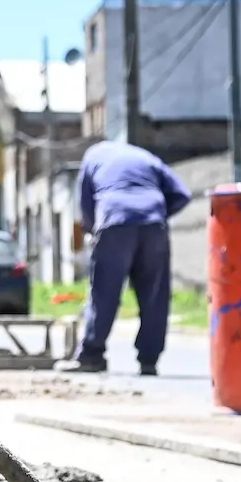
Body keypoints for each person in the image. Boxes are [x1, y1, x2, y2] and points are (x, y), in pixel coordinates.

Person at [55, 140, 191, 377]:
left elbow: (86, 203)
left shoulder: (92, 156)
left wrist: (91, 228)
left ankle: (91, 355)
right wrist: (155, 213)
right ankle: (149, 360)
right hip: (153, 223)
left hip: (114, 220)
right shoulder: (146, 156)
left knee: (104, 292)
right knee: (154, 295)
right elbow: (181, 194)